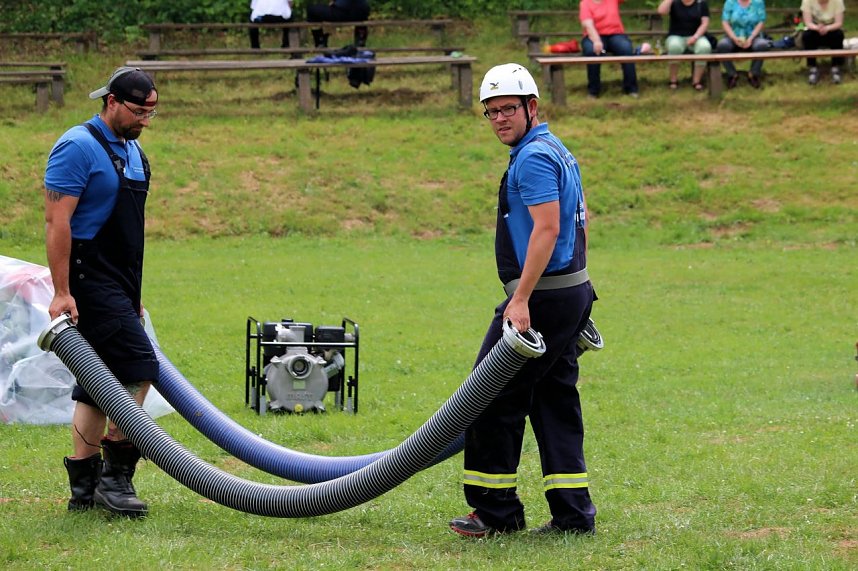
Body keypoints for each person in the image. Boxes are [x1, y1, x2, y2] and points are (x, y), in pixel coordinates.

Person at [449, 63, 598, 538]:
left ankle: (496, 514)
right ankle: (573, 516)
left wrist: (522, 299)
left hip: (542, 299)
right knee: (554, 402)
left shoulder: (532, 157)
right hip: (570, 292)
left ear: (532, 107)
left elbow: (549, 227)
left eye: (507, 109)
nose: (498, 119)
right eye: (490, 112)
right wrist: (582, 294)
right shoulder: (556, 149)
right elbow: (583, 219)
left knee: (487, 396)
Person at [44, 67, 160, 519]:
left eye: (152, 113)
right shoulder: (78, 146)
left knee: (98, 383)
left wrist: (133, 293)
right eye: (138, 111)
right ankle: (116, 479)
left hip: (120, 281)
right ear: (111, 101)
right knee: (139, 366)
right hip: (86, 278)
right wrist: (61, 291)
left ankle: (84, 487)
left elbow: (132, 234)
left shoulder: (135, 154)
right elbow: (58, 222)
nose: (144, 121)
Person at [579, 0, 639, 98]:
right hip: (594, 35)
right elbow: (588, 25)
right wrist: (597, 40)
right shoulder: (585, 3)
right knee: (592, 51)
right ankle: (593, 91)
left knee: (626, 49)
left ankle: (631, 89)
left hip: (615, 35)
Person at [657, 0, 713, 91]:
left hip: (697, 36)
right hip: (676, 36)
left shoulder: (701, 3)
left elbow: (705, 23)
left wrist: (695, 37)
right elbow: (661, 11)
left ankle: (696, 81)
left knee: (704, 47)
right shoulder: (674, 2)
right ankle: (673, 80)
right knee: (674, 47)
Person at [716, 0, 769, 89]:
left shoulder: (758, 2)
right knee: (722, 45)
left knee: (762, 45)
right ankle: (732, 74)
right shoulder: (730, 2)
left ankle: (753, 74)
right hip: (733, 36)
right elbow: (725, 22)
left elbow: (761, 22)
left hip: (753, 36)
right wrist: (734, 38)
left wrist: (751, 38)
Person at [800, 0, 845, 84]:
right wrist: (818, 28)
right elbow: (808, 23)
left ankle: (836, 67)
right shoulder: (807, 1)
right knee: (807, 36)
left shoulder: (838, 1)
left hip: (832, 29)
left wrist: (827, 28)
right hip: (815, 29)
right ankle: (812, 68)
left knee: (838, 35)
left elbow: (839, 23)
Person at [306, 0, 371, 47]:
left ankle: (320, 42)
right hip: (361, 11)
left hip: (341, 11)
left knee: (311, 10)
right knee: (362, 14)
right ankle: (360, 41)